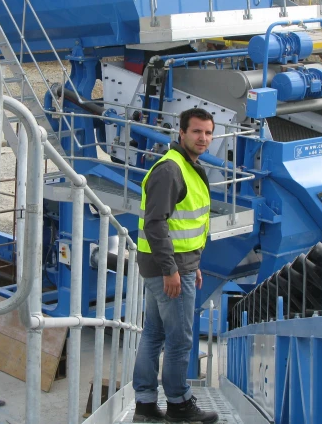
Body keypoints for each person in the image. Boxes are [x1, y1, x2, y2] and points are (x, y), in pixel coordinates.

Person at [132, 108, 219, 423]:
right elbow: (156, 224)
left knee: (153, 333)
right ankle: (179, 405)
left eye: (208, 133)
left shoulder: (186, 165)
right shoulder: (171, 170)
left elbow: (181, 226)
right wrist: (172, 270)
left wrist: (191, 263)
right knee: (180, 338)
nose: (203, 138)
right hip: (167, 270)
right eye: (197, 132)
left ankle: (144, 405)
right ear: (181, 133)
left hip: (173, 264)